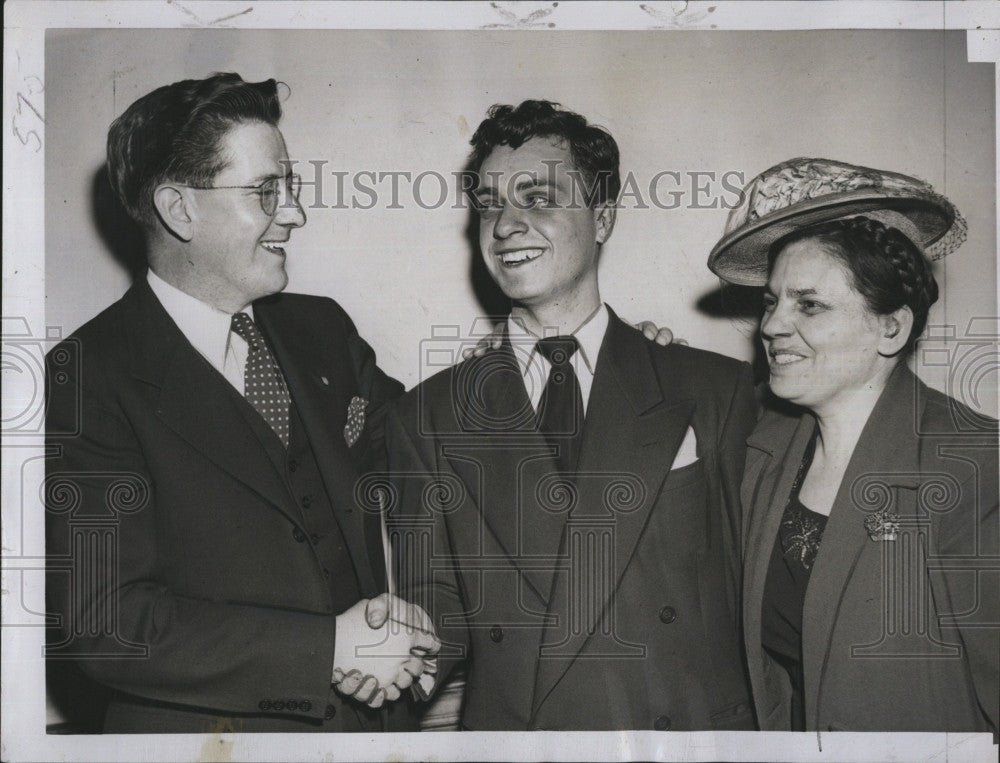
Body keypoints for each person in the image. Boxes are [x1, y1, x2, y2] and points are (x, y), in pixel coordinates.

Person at [44, 73, 439, 733]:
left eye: (290, 188)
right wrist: (329, 648)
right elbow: (108, 623)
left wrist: (566, 356)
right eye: (266, 191)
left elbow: (429, 446)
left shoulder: (323, 330)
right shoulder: (87, 376)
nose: (294, 213)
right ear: (180, 209)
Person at [384, 100, 757, 731]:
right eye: (489, 204)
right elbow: (436, 606)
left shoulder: (719, 388)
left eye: (537, 197)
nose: (505, 225)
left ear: (603, 218)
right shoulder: (425, 415)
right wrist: (389, 651)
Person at [708, 157, 999, 733]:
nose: (771, 326)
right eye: (772, 301)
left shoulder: (977, 468)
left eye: (809, 304)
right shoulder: (762, 446)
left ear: (890, 327)